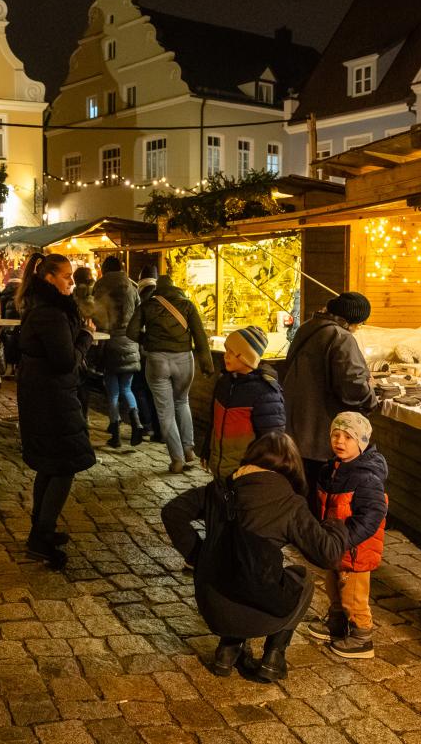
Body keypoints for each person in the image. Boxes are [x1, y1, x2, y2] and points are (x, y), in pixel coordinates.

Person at [161, 433, 347, 682]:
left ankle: (228, 650)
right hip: (258, 610)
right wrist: (338, 526)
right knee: (302, 580)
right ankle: (273, 657)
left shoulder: (220, 489)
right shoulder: (289, 504)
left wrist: (200, 555)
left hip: (212, 604)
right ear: (291, 467)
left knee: (241, 569)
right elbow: (329, 555)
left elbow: (172, 512)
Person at [16, 252, 96, 569]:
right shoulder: (50, 312)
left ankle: (41, 528)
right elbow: (65, 362)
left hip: (43, 395)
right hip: (52, 398)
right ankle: (40, 538)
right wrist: (86, 338)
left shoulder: (43, 307)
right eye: (66, 276)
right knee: (64, 465)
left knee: (50, 464)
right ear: (49, 278)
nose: (71, 282)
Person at [283, 291, 377, 508]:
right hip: (320, 428)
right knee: (319, 491)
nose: (359, 327)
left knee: (302, 487)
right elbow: (352, 385)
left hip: (298, 425)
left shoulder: (309, 327)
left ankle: (301, 529)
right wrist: (371, 398)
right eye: (360, 322)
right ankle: (316, 535)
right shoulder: (341, 337)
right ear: (351, 319)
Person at [309, 412, 388, 659]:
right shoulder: (331, 469)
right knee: (333, 587)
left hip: (354, 550)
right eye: (336, 435)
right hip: (335, 545)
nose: (340, 441)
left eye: (348, 437)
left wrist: (345, 539)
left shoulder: (366, 477)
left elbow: (371, 516)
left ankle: (361, 636)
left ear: (361, 443)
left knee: (353, 595)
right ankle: (337, 622)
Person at [126, 273, 214, 472]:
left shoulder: (147, 305)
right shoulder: (188, 305)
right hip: (184, 360)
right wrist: (207, 365)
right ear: (175, 288)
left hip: (157, 361)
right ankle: (189, 449)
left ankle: (177, 459)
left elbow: (131, 332)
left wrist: (148, 341)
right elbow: (200, 337)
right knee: (182, 402)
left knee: (165, 411)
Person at [199, 326, 286, 478]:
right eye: (227, 351)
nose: (226, 356)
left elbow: (272, 441)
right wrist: (207, 450)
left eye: (232, 352)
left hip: (245, 474)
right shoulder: (224, 383)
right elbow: (213, 422)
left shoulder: (265, 392)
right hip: (220, 468)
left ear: (246, 356)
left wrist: (254, 470)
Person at [92, 256, 143, 447]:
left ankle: (116, 434)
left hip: (110, 340)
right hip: (130, 341)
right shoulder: (132, 286)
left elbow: (96, 313)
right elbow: (139, 313)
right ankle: (136, 423)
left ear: (104, 269)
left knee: (112, 392)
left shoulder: (100, 286)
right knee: (127, 388)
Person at [131, 264, 160, 442]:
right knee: (158, 392)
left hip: (144, 352)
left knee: (140, 388)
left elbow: (135, 328)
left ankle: (147, 425)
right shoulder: (162, 295)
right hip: (163, 352)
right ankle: (162, 431)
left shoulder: (141, 295)